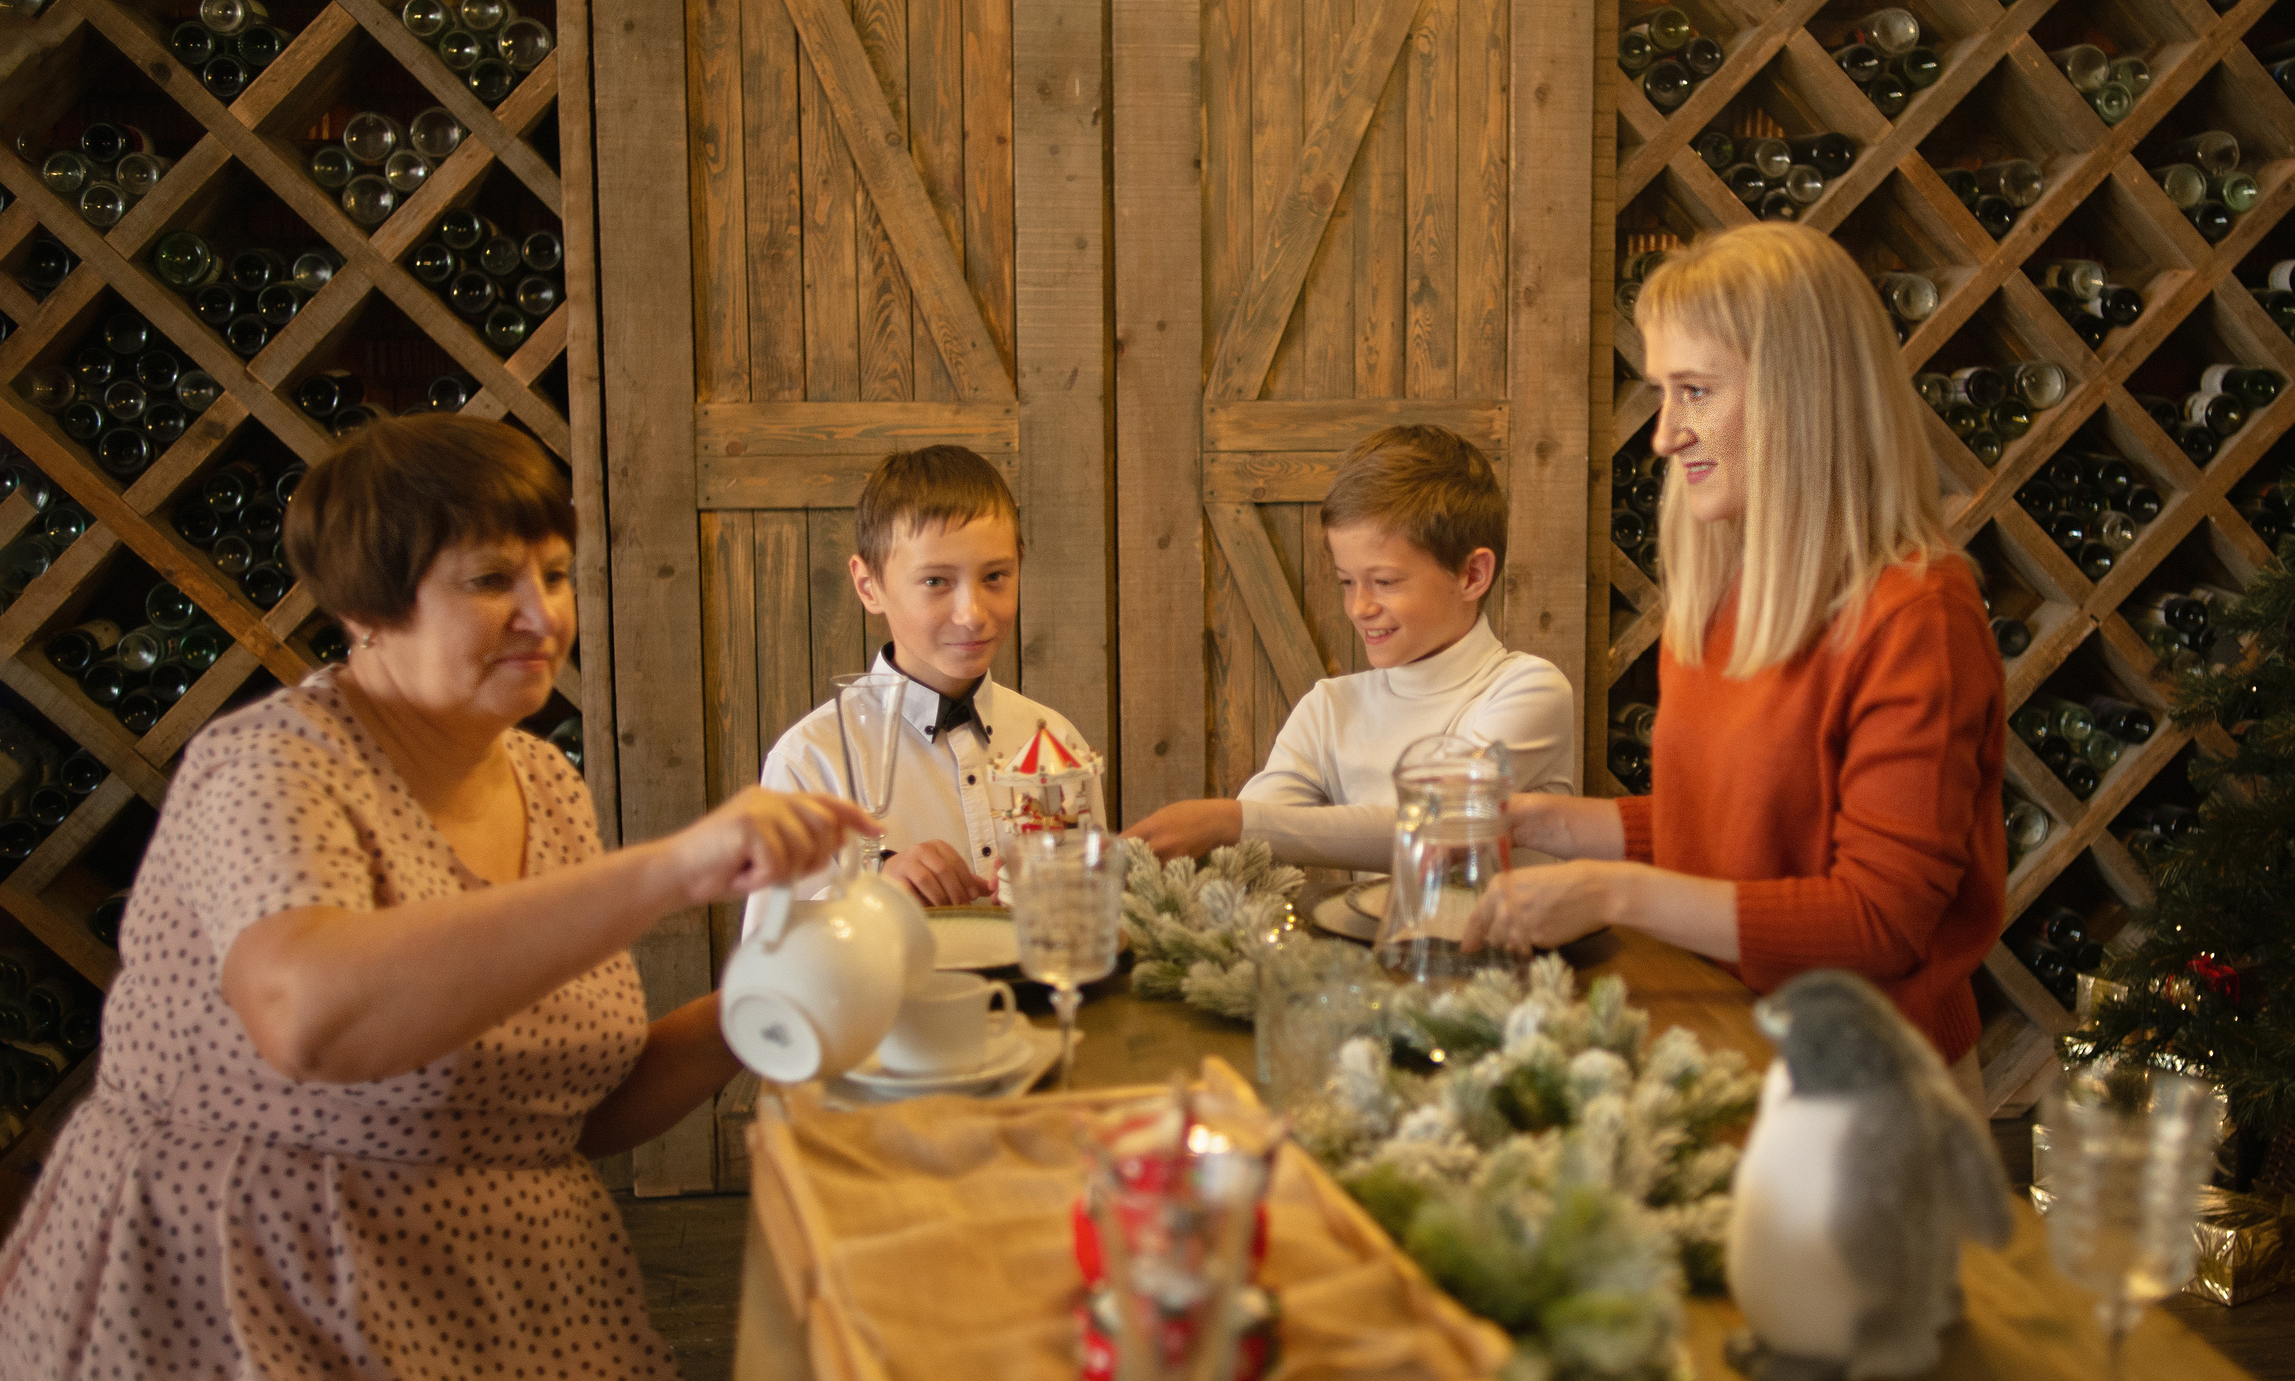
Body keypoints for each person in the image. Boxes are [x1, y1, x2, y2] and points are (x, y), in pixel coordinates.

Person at [0, 414, 869, 1381]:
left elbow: (564, 1114)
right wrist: (675, 867)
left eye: (555, 574)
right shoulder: (269, 763)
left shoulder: (546, 783)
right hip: (243, 1318)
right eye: (489, 579)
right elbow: (310, 1015)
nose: (541, 613)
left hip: (501, 1328)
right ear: (367, 605)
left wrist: (774, 1000)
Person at [1465, 222, 2008, 1096]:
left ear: (1804, 395)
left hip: (1870, 1090)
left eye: (1696, 391)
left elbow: (1880, 920)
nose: (1665, 435)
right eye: (1663, 394)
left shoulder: (1918, 614)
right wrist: (1549, 824)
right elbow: (1744, 829)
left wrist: (1609, 892)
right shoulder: (1729, 583)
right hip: (1728, 1046)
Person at [1129, 424, 1576, 869]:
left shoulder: (1528, 689)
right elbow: (1249, 849)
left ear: (1472, 575)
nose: (1359, 607)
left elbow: (1438, 829)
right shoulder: (1329, 709)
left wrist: (1230, 821)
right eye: (1346, 581)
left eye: (1384, 582)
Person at [749, 445, 1104, 920]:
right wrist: (869, 897)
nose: (972, 615)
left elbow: (1100, 922)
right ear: (868, 585)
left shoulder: (1056, 743)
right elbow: (769, 972)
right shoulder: (810, 765)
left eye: (995, 576)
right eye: (936, 581)